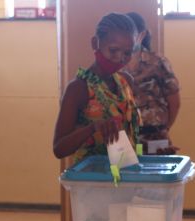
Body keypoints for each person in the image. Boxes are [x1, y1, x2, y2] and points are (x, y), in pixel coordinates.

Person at [53, 13, 141, 162]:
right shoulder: (79, 89)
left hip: (126, 177)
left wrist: (154, 151)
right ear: (95, 44)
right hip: (92, 180)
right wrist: (92, 128)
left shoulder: (126, 82)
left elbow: (132, 134)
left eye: (127, 52)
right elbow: (59, 149)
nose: (120, 58)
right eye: (113, 50)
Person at [123, 12, 180, 155]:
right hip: (125, 139)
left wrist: (163, 128)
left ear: (142, 35)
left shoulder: (157, 62)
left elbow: (174, 101)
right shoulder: (116, 64)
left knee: (157, 175)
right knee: (127, 176)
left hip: (156, 137)